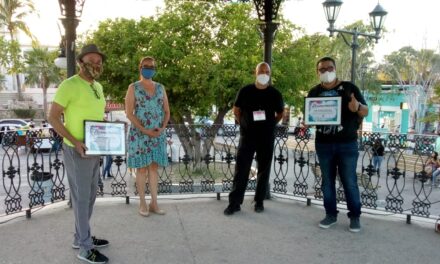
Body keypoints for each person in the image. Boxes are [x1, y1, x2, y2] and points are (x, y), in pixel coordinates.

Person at [48, 44, 109, 263]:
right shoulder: (69, 85)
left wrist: (107, 130)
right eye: (91, 59)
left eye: (99, 60)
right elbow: (53, 117)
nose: (96, 63)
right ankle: (85, 247)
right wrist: (75, 141)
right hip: (76, 150)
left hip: (95, 149)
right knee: (82, 199)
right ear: (81, 62)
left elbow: (94, 115)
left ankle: (80, 237)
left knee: (91, 195)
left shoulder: (98, 87)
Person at [307, 57, 368, 232]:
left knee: (349, 181)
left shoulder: (349, 88)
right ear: (317, 72)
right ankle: (330, 215)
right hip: (324, 144)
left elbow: (365, 110)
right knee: (327, 182)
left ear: (335, 68)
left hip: (347, 144)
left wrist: (356, 107)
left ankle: (355, 217)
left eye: (330, 68)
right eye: (322, 69)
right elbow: (311, 115)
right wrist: (309, 121)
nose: (326, 72)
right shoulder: (314, 91)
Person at [223, 62, 284, 215]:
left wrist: (270, 124)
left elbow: (280, 114)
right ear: (255, 73)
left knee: (264, 170)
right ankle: (235, 203)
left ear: (270, 74)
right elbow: (236, 110)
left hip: (266, 137)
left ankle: (259, 201)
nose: (264, 74)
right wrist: (243, 123)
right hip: (247, 136)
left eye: (267, 71)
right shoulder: (245, 91)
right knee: (241, 170)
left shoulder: (275, 94)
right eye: (261, 71)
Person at [125, 56, 170, 217]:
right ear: (140, 67)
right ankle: (142, 203)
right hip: (139, 134)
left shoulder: (161, 87)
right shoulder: (133, 87)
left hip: (157, 135)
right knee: (142, 169)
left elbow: (166, 111)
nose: (149, 69)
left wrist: (163, 128)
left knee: (153, 168)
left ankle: (154, 203)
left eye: (152, 66)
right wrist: (145, 130)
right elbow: (129, 113)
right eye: (146, 66)